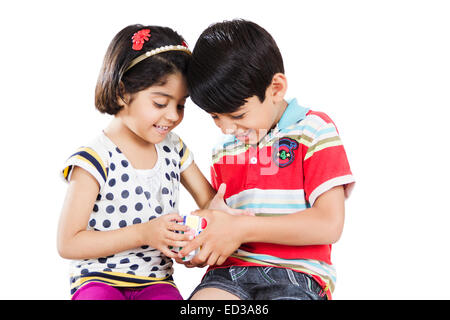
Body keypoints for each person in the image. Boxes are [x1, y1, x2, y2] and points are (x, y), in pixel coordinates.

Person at [57, 24, 242, 300]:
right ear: (122, 92)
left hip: (158, 282)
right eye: (160, 103)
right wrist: (144, 234)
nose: (172, 116)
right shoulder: (94, 159)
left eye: (181, 105)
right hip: (98, 281)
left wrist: (205, 225)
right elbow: (68, 242)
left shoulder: (175, 149)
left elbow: (207, 201)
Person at [179, 19, 355, 300]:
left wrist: (242, 228)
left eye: (237, 115)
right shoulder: (224, 150)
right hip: (228, 275)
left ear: (275, 88)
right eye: (215, 117)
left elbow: (329, 224)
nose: (226, 128)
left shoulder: (313, 130)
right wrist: (206, 242)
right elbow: (225, 225)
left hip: (297, 276)